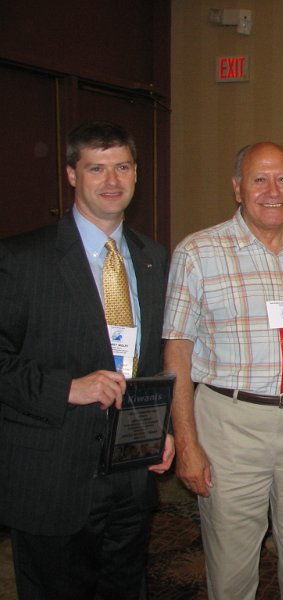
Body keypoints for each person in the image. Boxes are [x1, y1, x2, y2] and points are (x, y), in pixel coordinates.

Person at [163, 142, 283, 600]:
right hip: (230, 425)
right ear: (237, 188)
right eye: (259, 179)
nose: (272, 190)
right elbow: (177, 354)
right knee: (231, 566)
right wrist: (186, 442)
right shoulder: (198, 252)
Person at [0, 120, 173, 599]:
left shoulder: (154, 258)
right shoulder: (22, 259)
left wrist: (161, 430)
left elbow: (152, 361)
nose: (112, 180)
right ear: (73, 175)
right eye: (97, 168)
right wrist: (66, 388)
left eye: (122, 167)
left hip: (130, 474)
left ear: (136, 174)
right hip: (52, 475)